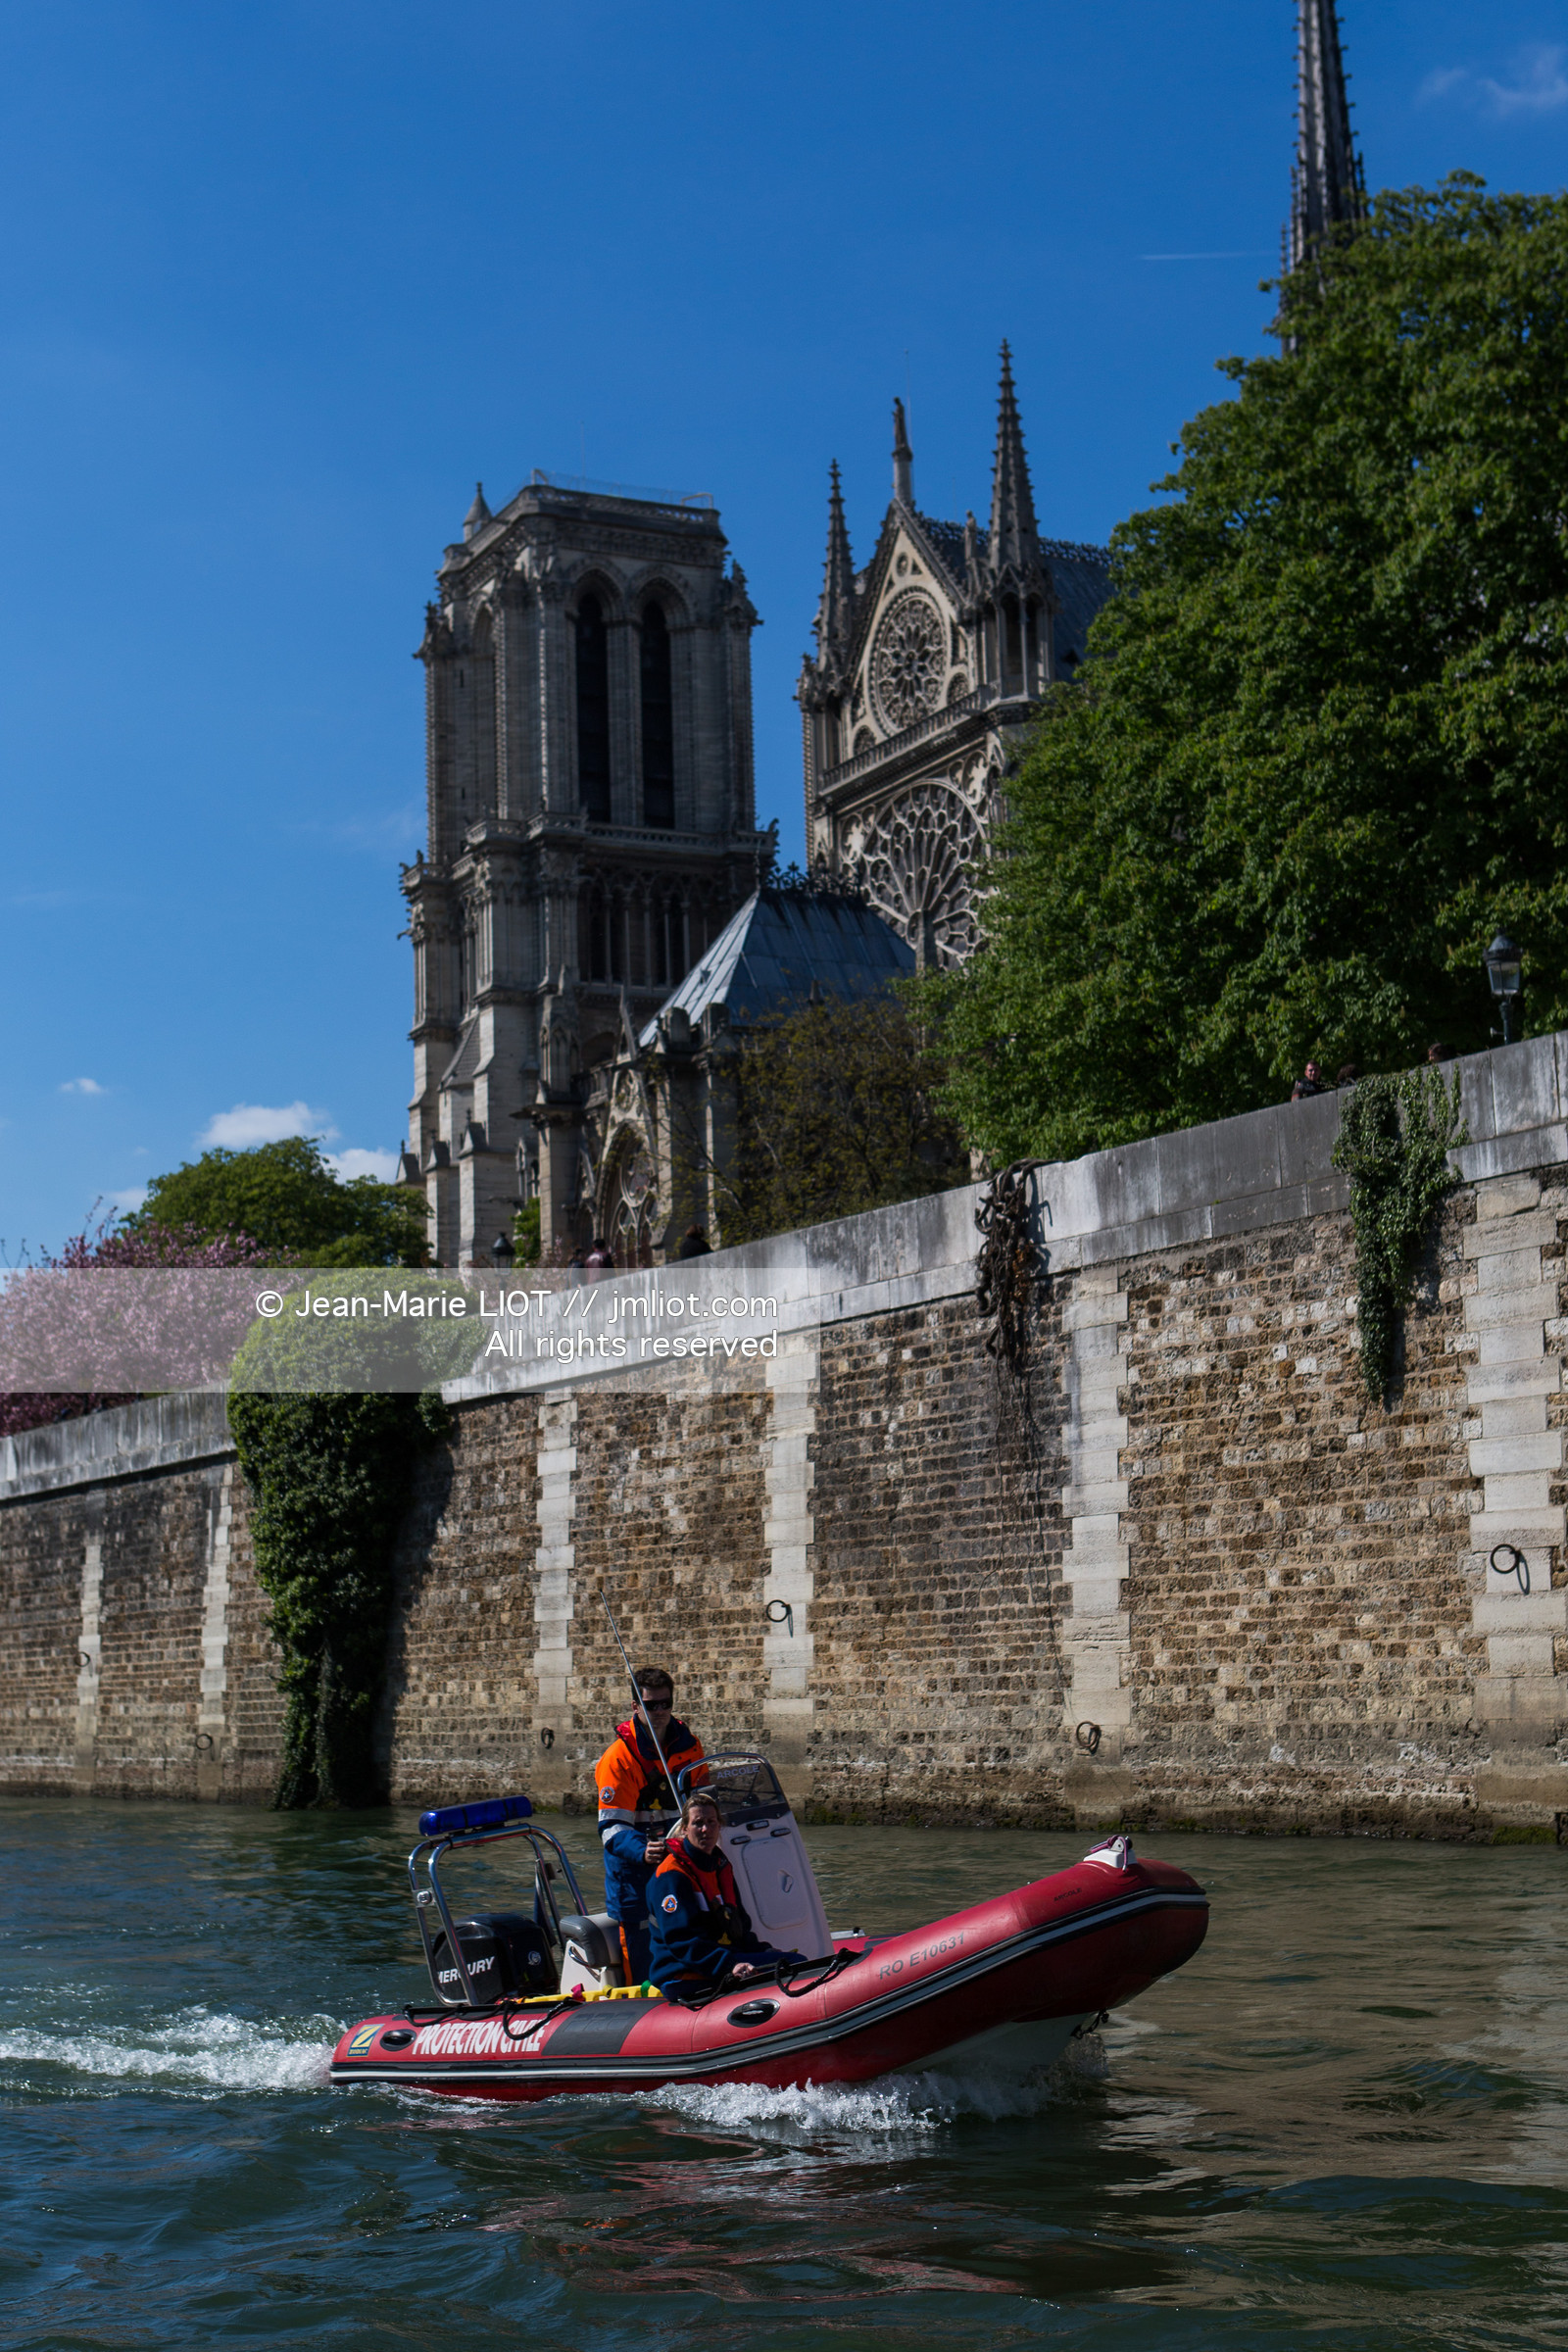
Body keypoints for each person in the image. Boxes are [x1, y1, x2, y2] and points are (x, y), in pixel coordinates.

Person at [594, 1668, 705, 1983]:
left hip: (682, 1867)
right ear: (635, 1706)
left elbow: (704, 1801)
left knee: (692, 1941)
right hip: (635, 1876)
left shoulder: (690, 1747)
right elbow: (612, 1829)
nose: (659, 1712)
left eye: (665, 1704)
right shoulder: (619, 1759)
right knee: (642, 1963)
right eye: (650, 1705)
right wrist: (643, 1851)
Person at [647, 1790, 805, 1999]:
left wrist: (762, 1950)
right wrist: (730, 1965)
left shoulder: (720, 1867)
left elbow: (740, 1929)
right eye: (698, 1823)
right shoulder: (671, 1875)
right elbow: (681, 1941)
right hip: (682, 1973)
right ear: (685, 1828)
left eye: (711, 1822)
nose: (706, 1829)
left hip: (718, 1961)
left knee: (795, 1962)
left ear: (719, 1825)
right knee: (794, 1965)